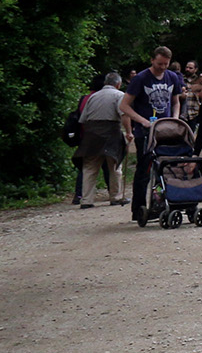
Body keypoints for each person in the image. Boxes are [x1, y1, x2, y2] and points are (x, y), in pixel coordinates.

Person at [120, 46, 184, 225]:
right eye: (159, 64)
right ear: (152, 60)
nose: (162, 67)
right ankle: (138, 209)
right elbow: (124, 105)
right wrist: (142, 121)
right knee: (145, 170)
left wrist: (175, 119)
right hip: (145, 131)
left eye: (166, 64)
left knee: (166, 168)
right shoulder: (140, 78)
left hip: (166, 131)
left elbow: (175, 101)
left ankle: (161, 204)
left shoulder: (172, 77)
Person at [75, 72, 131, 208]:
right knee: (115, 166)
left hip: (91, 135)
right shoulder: (119, 95)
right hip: (111, 133)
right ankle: (116, 197)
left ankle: (86, 200)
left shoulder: (92, 97)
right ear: (118, 84)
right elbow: (124, 115)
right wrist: (129, 132)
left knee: (89, 167)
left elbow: (82, 119)